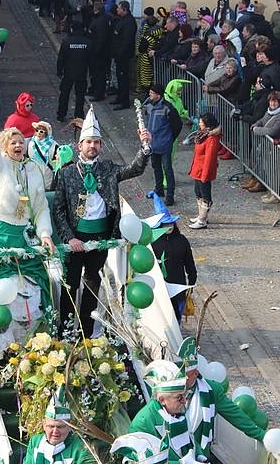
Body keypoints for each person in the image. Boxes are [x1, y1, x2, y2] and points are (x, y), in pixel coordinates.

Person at [53, 108, 151, 336]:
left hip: (101, 237)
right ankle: (65, 333)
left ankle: (87, 333)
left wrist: (145, 147)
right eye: (88, 142)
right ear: (80, 146)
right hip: (75, 238)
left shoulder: (108, 169)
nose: (92, 146)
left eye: (97, 142)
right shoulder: (66, 174)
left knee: (92, 284)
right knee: (70, 285)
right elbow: (58, 209)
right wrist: (69, 237)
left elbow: (134, 169)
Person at [0, 87, 54, 308]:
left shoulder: (34, 169)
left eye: (21, 142)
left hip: (24, 237)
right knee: (0, 291)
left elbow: (40, 207)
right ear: (5, 147)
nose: (18, 145)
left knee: (36, 287)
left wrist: (45, 234)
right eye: (13, 142)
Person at [130, 339, 265, 462]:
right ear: (162, 399)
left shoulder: (198, 399)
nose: (183, 402)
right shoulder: (144, 422)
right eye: (179, 397)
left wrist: (262, 435)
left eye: (183, 396)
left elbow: (191, 439)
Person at [146, 193, 196, 322]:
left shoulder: (182, 240)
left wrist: (192, 281)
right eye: (165, 224)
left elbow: (189, 262)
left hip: (178, 284)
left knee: (176, 315)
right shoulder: (152, 241)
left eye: (171, 224)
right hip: (159, 285)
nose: (169, 227)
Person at [23, 386, 95, 464]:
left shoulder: (81, 449)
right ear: (44, 424)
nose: (55, 431)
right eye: (51, 426)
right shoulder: (35, 442)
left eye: (60, 427)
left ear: (70, 426)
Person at [144, 83, 183, 205]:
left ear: (158, 95)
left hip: (165, 143)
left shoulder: (168, 108)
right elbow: (146, 118)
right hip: (153, 143)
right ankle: (159, 189)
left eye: (152, 93)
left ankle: (170, 195)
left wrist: (171, 138)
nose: (149, 95)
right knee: (156, 167)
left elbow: (178, 124)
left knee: (167, 169)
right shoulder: (149, 105)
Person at [188, 112, 220, 230]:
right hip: (198, 169)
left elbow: (209, 159)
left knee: (205, 194)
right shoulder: (203, 135)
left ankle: (202, 219)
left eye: (201, 122)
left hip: (203, 171)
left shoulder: (211, 139)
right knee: (198, 192)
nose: (199, 123)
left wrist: (205, 175)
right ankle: (201, 216)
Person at [56, 21, 90, 121]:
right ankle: (79, 115)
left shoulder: (67, 42)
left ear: (72, 29)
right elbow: (90, 58)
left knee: (64, 94)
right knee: (80, 95)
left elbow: (61, 58)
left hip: (68, 72)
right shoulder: (87, 42)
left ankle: (61, 114)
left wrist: (59, 71)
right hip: (82, 72)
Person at [110, 1, 137, 111]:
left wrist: (119, 54)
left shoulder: (129, 22)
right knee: (120, 77)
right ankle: (120, 97)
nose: (117, 10)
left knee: (123, 78)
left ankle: (124, 101)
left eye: (119, 8)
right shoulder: (122, 20)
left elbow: (126, 41)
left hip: (123, 55)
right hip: (119, 54)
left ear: (124, 9)